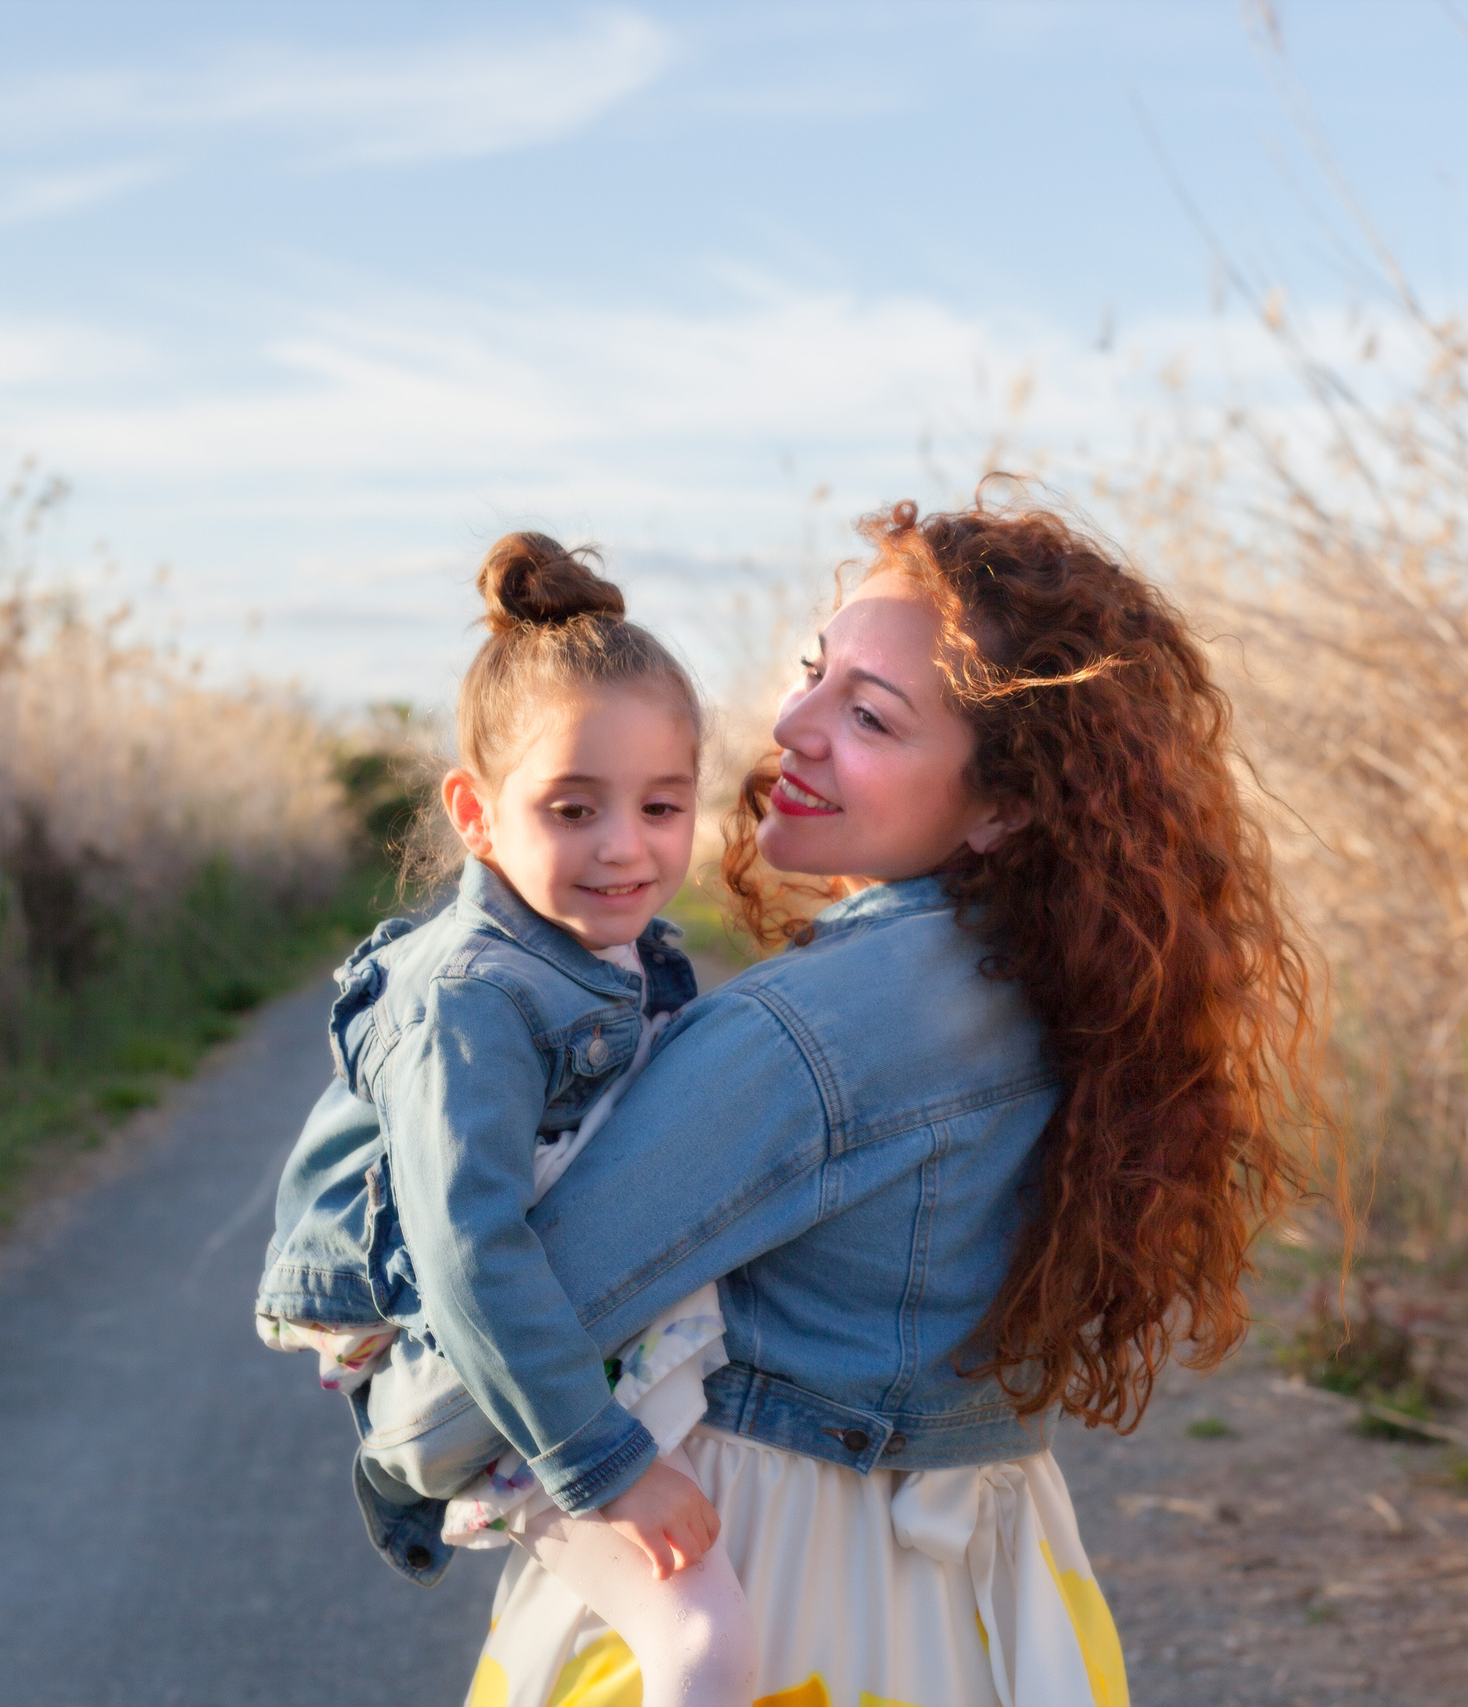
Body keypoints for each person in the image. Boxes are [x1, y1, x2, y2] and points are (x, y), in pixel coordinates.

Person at [270, 497, 1317, 1706]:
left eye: (868, 715)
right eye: (816, 673)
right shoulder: (1058, 974)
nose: (790, 725)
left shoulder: (808, 1036)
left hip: (790, 1590)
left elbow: (468, 1370)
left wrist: (400, 1435)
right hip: (966, 1594)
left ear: (1004, 804)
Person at [255, 533, 758, 1707]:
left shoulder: (607, 946)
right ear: (476, 815)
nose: (624, 846)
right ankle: (459, 1461)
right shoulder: (470, 999)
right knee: (706, 1647)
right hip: (435, 1329)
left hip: (515, 1312)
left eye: (661, 804)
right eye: (573, 807)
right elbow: (467, 1253)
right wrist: (607, 1466)